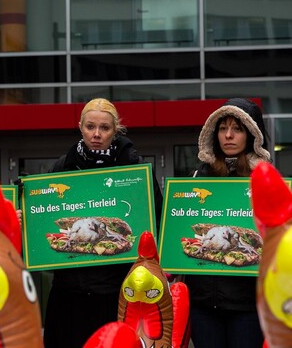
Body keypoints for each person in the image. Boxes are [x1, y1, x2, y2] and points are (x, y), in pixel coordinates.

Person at [42, 98, 163, 348]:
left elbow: (157, 219)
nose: (96, 134)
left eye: (104, 128)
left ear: (115, 130)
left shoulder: (135, 169)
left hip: (115, 290)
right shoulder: (62, 167)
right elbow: (44, 221)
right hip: (68, 291)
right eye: (90, 127)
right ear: (80, 127)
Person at [185, 98, 268, 348]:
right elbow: (180, 228)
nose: (228, 136)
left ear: (252, 134)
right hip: (203, 303)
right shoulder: (196, 179)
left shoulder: (267, 181)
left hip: (248, 305)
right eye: (223, 128)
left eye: (237, 129)